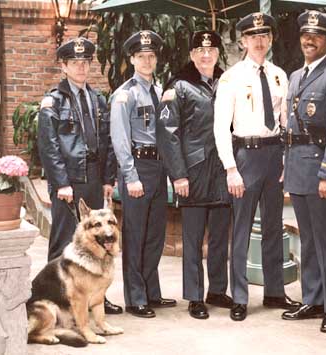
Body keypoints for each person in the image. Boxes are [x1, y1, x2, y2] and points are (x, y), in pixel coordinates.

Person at [214, 12, 301, 321]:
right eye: (253, 36)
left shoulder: (280, 75)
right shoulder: (231, 77)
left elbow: (286, 123)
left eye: (264, 35)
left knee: (273, 227)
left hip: (273, 155)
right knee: (240, 229)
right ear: (243, 41)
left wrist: (286, 160)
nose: (259, 41)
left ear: (271, 39)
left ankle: (275, 292)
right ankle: (239, 296)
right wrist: (230, 169)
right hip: (245, 158)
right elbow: (220, 126)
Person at [37, 37, 122, 315]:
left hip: (95, 180)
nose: (81, 67)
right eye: (75, 63)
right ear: (63, 66)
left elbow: (108, 141)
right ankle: (59, 300)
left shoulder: (97, 99)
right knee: (64, 243)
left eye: (85, 62)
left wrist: (108, 178)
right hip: (69, 182)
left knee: (100, 243)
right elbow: (48, 146)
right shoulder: (53, 101)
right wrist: (61, 183)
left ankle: (96, 298)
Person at [281, 10, 326, 333]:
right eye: (305, 35)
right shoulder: (296, 76)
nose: (309, 40)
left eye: (317, 36)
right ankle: (312, 298)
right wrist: (286, 166)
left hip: (319, 167)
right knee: (307, 239)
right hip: (297, 166)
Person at [157, 30, 233, 320]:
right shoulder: (178, 86)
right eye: (200, 51)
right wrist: (178, 175)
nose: (206, 55)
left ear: (217, 53)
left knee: (218, 237)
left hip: (222, 171)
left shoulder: (226, 83)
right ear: (191, 54)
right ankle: (194, 296)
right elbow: (168, 134)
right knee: (192, 238)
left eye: (211, 50)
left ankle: (216, 290)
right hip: (193, 172)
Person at [110, 30, 176, 318]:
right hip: (137, 167)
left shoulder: (162, 91)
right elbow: (120, 138)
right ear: (132, 59)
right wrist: (130, 176)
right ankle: (135, 297)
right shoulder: (124, 94)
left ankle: (152, 291)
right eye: (141, 56)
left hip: (159, 169)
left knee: (155, 235)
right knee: (135, 235)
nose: (147, 61)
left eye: (151, 56)